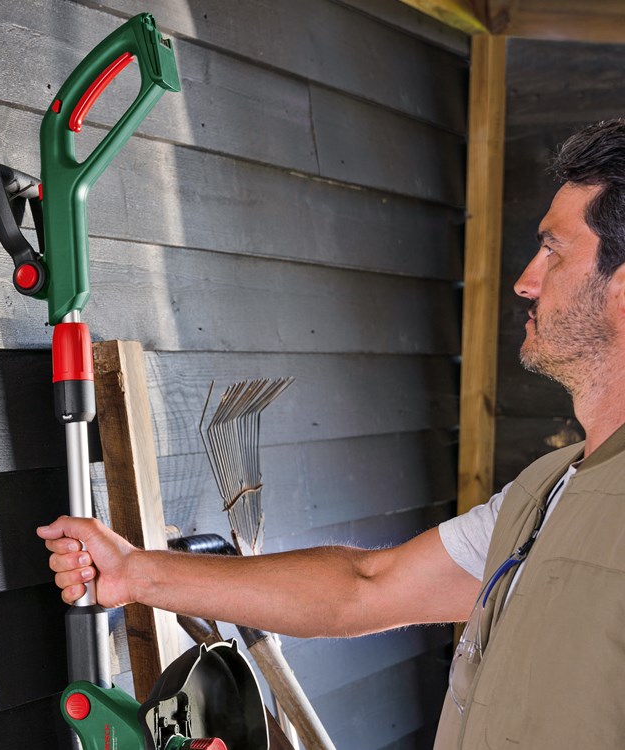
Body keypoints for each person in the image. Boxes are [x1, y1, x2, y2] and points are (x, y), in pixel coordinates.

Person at [37, 119, 625, 749]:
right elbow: (363, 588)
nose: (526, 280)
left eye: (554, 250)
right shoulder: (545, 492)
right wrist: (135, 573)